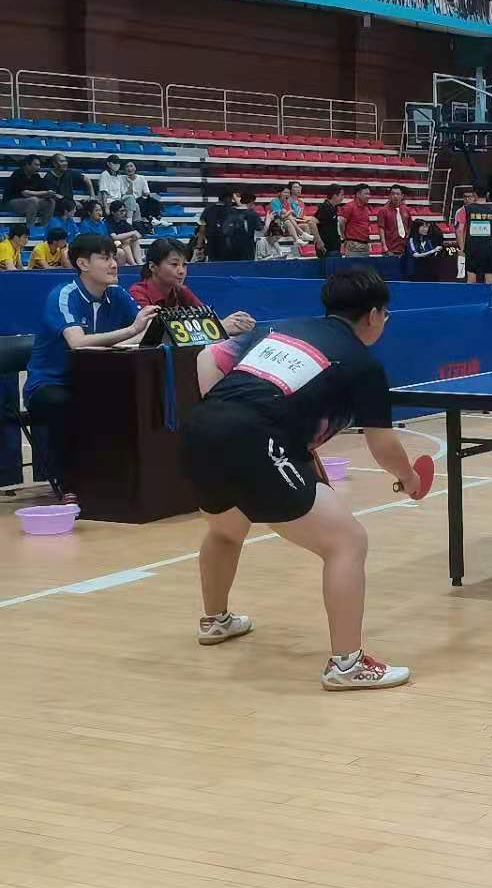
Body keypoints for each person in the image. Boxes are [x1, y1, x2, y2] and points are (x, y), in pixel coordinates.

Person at [182, 267, 424, 690]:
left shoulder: (282, 330)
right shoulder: (363, 364)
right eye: (385, 315)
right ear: (373, 315)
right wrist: (409, 478)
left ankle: (215, 620)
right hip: (253, 439)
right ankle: (347, 665)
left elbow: (208, 356)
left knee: (225, 530)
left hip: (199, 428)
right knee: (347, 542)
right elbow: (383, 445)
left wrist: (233, 421)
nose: (384, 322)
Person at [25, 235, 159, 500]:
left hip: (94, 379)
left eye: (114, 257)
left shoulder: (117, 294)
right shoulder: (64, 295)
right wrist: (130, 331)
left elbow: (145, 333)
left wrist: (130, 335)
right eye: (105, 258)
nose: (114, 264)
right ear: (83, 264)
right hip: (51, 383)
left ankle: (127, 476)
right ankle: (70, 484)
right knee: (66, 404)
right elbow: (77, 342)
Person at [130, 238, 255, 333]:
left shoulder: (181, 291)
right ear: (153, 267)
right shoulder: (138, 293)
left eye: (184, 265)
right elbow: (153, 332)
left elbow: (208, 318)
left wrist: (235, 323)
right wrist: (221, 327)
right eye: (174, 264)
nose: (181, 271)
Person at [460, 186, 492, 284]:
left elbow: (460, 230)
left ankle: (471, 295)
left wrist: (462, 248)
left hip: (472, 249)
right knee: (490, 281)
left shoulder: (466, 209)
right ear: (487, 195)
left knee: (471, 280)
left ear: (474, 194)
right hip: (489, 250)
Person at [4, 155, 56, 226]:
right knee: (33, 200)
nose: (39, 167)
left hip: (30, 202)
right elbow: (25, 193)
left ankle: (45, 227)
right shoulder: (18, 174)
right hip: (11, 202)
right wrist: (45, 193)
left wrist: (49, 194)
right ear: (27, 165)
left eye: (39, 165)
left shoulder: (36, 176)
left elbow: (43, 190)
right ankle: (30, 228)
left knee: (51, 202)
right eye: (36, 165)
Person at [270, 182, 320, 246]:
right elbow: (280, 216)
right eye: (285, 192)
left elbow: (297, 216)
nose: (286, 194)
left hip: (292, 223)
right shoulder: (277, 201)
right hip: (279, 224)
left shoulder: (294, 202)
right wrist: (289, 212)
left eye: (287, 193)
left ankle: (307, 245)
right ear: (280, 193)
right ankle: (314, 242)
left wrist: (304, 220)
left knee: (307, 225)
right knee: (290, 221)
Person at [336, 185, 375, 258]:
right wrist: (344, 237)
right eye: (366, 194)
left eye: (369, 194)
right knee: (353, 265)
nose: (368, 196)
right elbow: (341, 222)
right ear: (358, 194)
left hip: (365, 245)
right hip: (353, 245)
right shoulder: (349, 206)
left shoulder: (366, 208)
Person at [105, 201, 142, 266]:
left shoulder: (123, 222)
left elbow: (138, 235)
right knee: (125, 242)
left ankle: (139, 263)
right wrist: (132, 233)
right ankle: (133, 264)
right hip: (110, 244)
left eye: (124, 211)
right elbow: (115, 237)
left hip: (121, 243)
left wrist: (133, 237)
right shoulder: (107, 222)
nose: (123, 213)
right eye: (121, 211)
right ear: (113, 212)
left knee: (134, 240)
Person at [313, 185, 344, 257]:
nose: (343, 197)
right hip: (326, 247)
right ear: (334, 195)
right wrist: (319, 241)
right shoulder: (324, 207)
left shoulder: (334, 207)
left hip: (334, 246)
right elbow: (312, 223)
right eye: (341, 195)